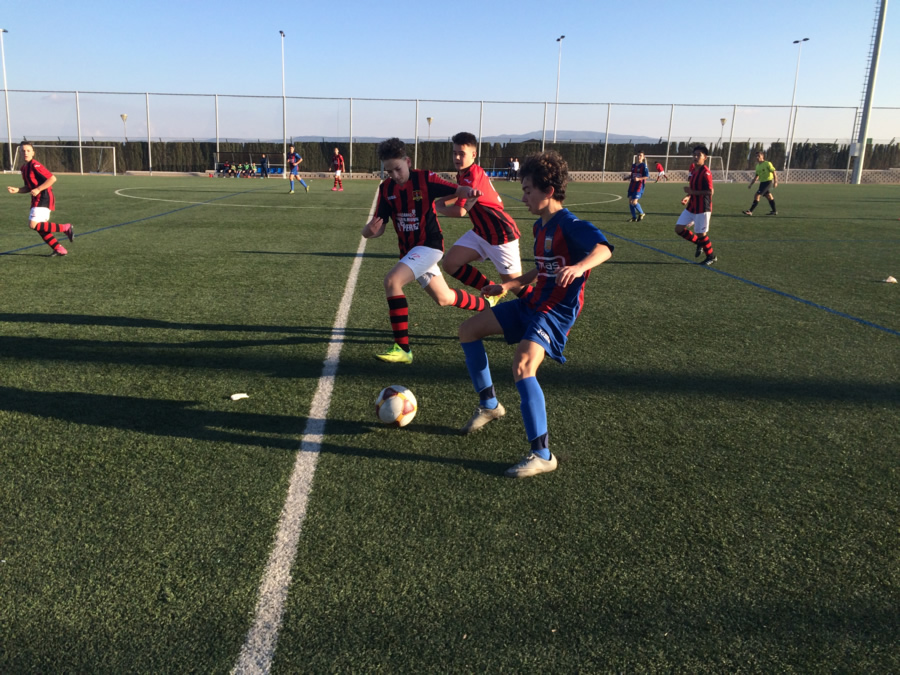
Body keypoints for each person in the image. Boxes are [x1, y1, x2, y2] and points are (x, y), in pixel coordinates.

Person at [457, 151, 613, 478]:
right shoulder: (540, 227)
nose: (524, 197)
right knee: (468, 330)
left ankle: (542, 454)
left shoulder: (570, 225)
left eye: (528, 190)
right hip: (532, 303)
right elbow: (542, 270)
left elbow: (604, 248)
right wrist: (509, 285)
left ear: (549, 191)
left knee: (523, 365)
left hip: (555, 312)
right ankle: (489, 405)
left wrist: (580, 267)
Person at [362, 137, 491, 364]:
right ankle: (489, 306)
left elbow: (456, 189)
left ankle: (403, 349)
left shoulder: (425, 178)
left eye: (398, 169)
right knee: (444, 298)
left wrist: (469, 192)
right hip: (411, 252)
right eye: (389, 171)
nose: (394, 175)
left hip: (430, 246)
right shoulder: (386, 189)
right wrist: (368, 231)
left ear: (408, 162)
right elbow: (378, 227)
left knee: (392, 281)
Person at [434, 131, 530, 309]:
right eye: (454, 153)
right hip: (481, 232)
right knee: (450, 264)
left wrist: (438, 207)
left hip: (501, 234)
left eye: (461, 154)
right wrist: (441, 200)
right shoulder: (464, 173)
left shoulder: (472, 175)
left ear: (473, 154)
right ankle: (491, 290)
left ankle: (544, 308)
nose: (457, 157)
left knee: (515, 284)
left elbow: (460, 211)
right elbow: (458, 191)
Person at [6, 142, 74, 256]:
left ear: (33, 153)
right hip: (36, 199)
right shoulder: (24, 168)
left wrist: (38, 189)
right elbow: (29, 187)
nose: (25, 153)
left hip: (44, 197)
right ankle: (59, 249)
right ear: (20, 153)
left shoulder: (35, 165)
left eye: (28, 150)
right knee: (40, 227)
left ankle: (65, 228)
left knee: (33, 224)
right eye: (23, 151)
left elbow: (52, 178)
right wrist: (17, 190)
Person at [675, 145, 717, 266]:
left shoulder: (706, 172)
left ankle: (711, 256)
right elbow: (693, 189)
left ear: (705, 157)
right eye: (694, 154)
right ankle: (699, 243)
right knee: (678, 229)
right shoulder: (693, 170)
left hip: (703, 207)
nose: (696, 157)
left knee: (701, 234)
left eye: (699, 155)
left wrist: (692, 192)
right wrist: (688, 196)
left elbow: (710, 192)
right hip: (692, 206)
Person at [744, 151, 778, 216]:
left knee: (757, 195)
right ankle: (774, 211)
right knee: (769, 196)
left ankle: (750, 211)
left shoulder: (767, 163)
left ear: (762, 156)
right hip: (762, 183)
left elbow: (774, 172)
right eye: (756, 156)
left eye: (758, 156)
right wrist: (751, 184)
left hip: (768, 182)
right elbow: (756, 177)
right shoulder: (757, 166)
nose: (757, 157)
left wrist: (775, 182)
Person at [626, 151, 650, 221]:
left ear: (643, 157)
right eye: (638, 155)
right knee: (630, 201)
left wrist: (639, 179)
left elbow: (646, 176)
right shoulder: (633, 165)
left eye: (641, 155)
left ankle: (642, 213)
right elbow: (632, 174)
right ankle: (634, 217)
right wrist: (627, 177)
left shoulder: (644, 166)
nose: (639, 157)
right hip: (632, 185)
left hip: (639, 186)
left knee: (634, 202)